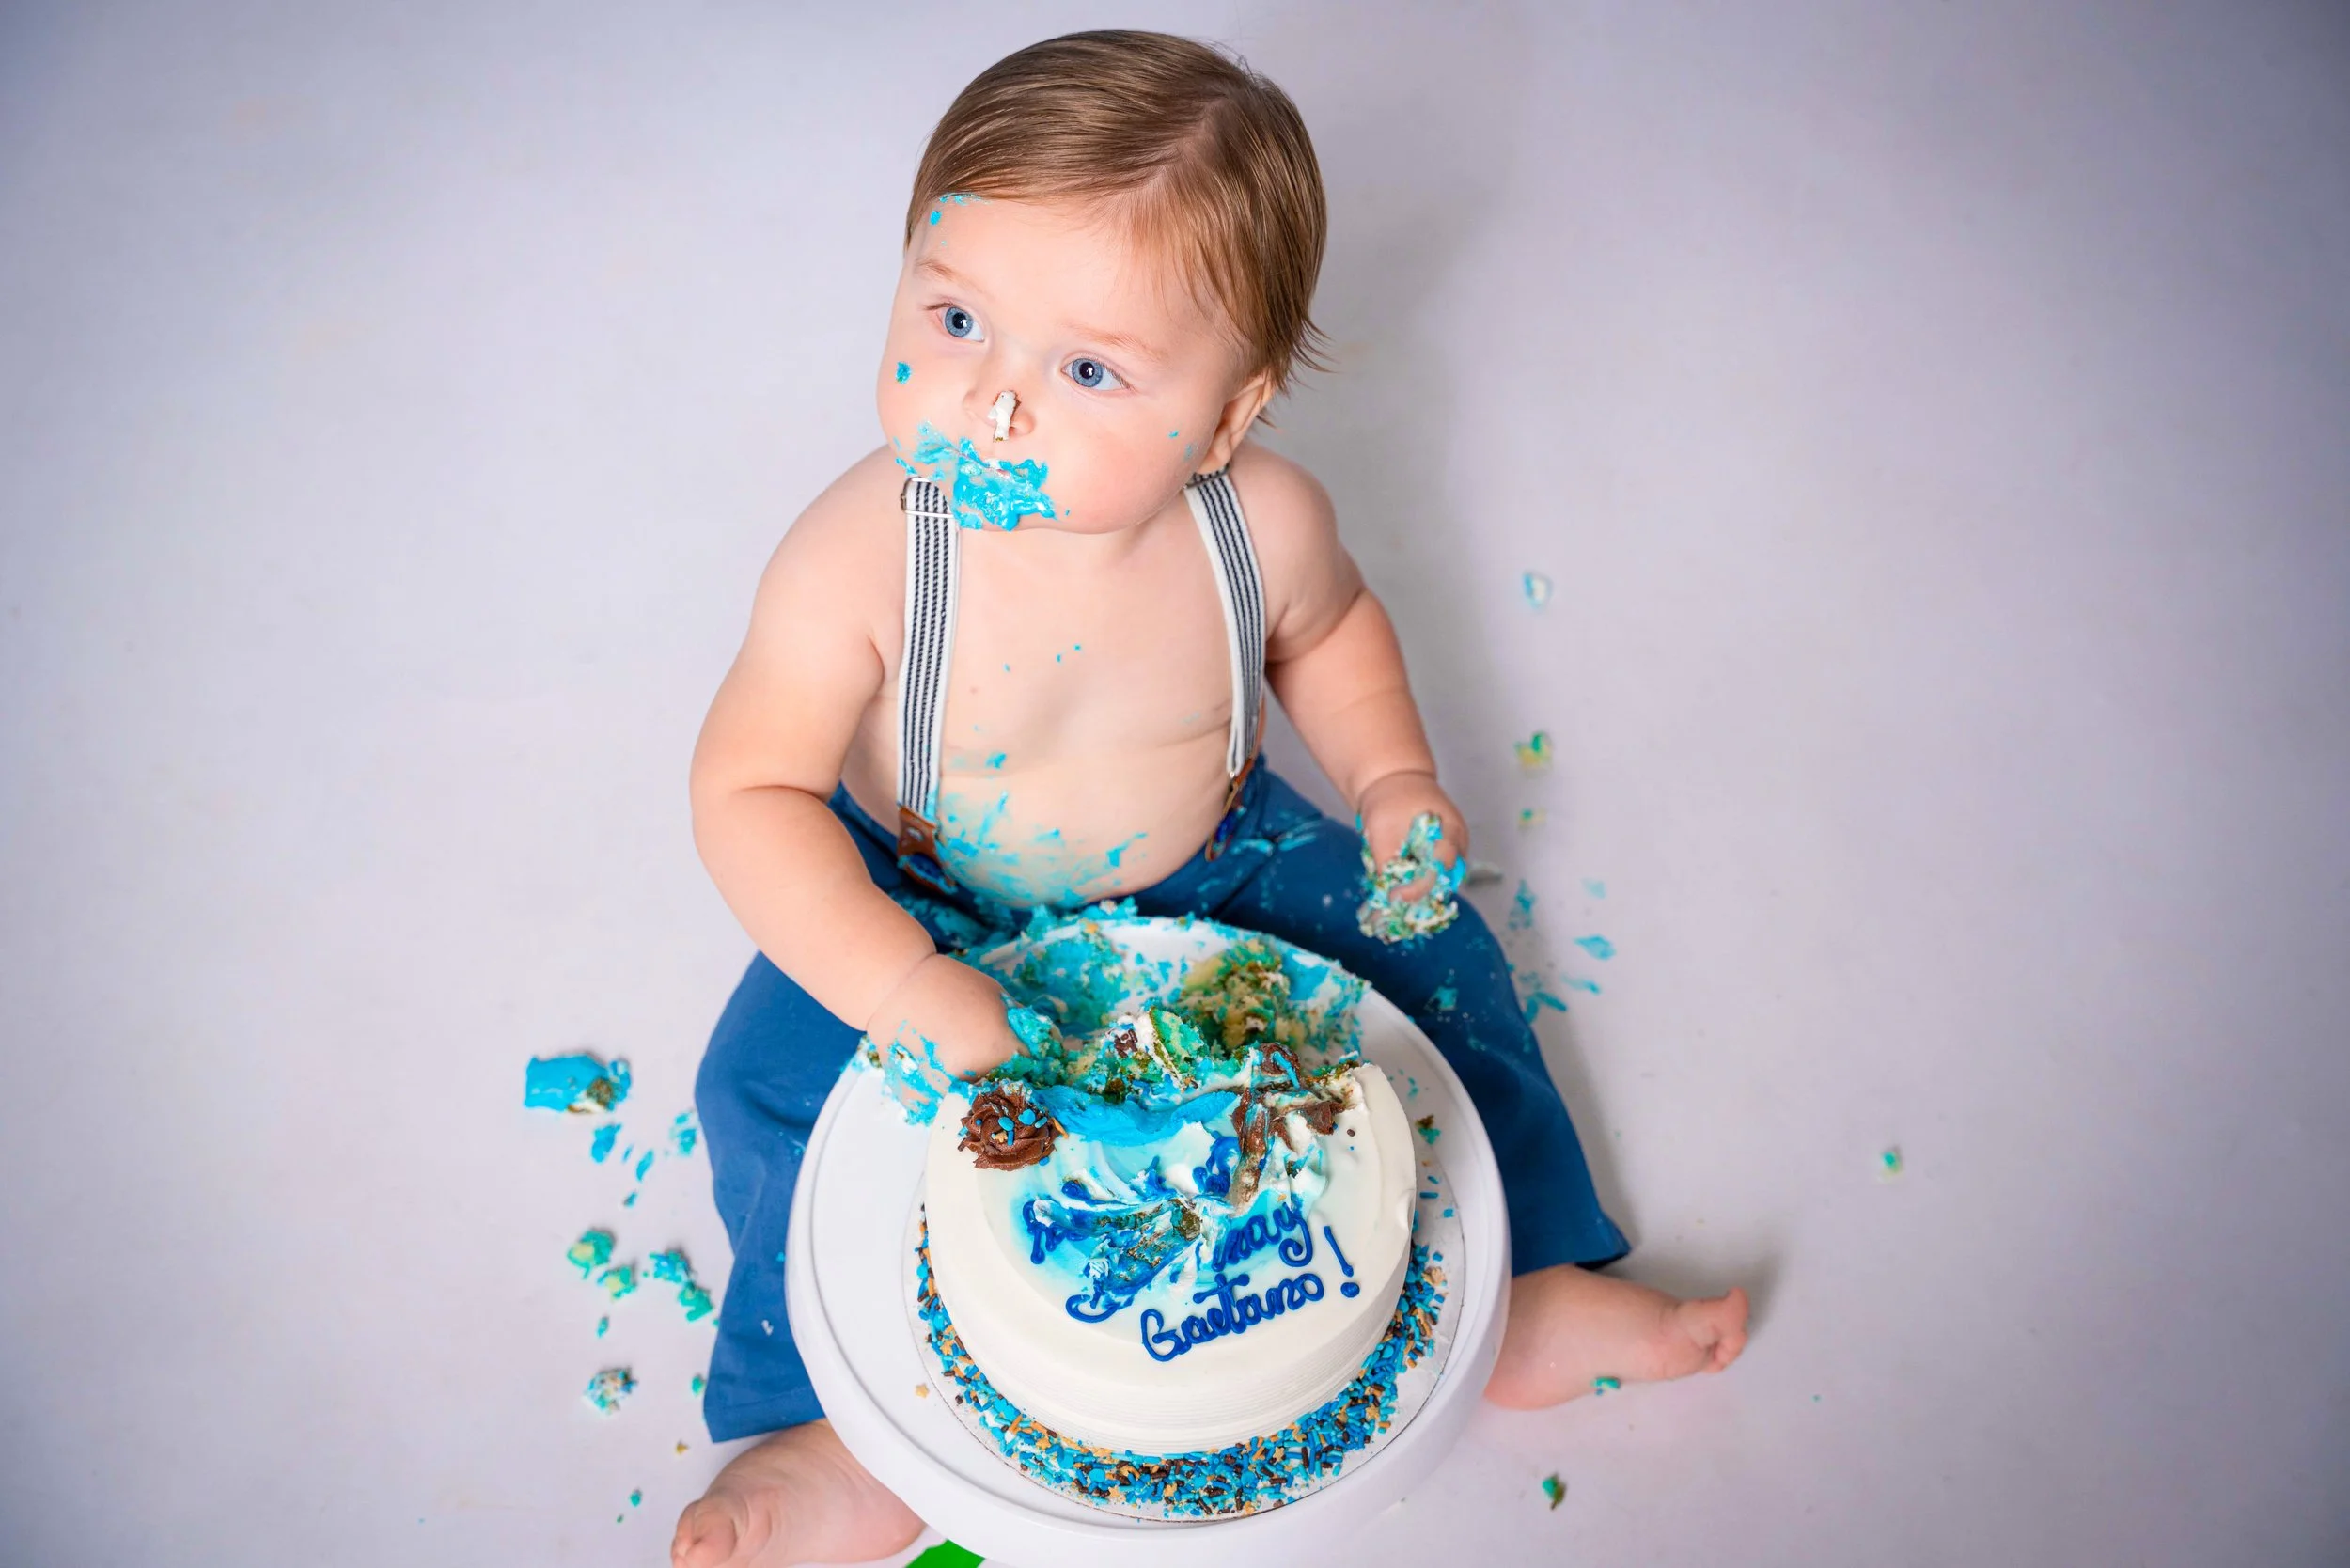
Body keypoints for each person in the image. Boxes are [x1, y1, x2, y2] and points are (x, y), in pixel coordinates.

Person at [677, 30, 1747, 1567]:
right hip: (926, 891)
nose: (995, 403)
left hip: (1212, 862)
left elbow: (1330, 637)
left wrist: (1390, 782)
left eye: (1090, 368)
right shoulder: (862, 553)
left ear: (1229, 419)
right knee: (765, 1089)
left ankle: (1512, 1284)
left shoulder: (1261, 524)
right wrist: (894, 978)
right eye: (957, 316)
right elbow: (748, 786)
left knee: (1442, 980)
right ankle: (829, 1424)